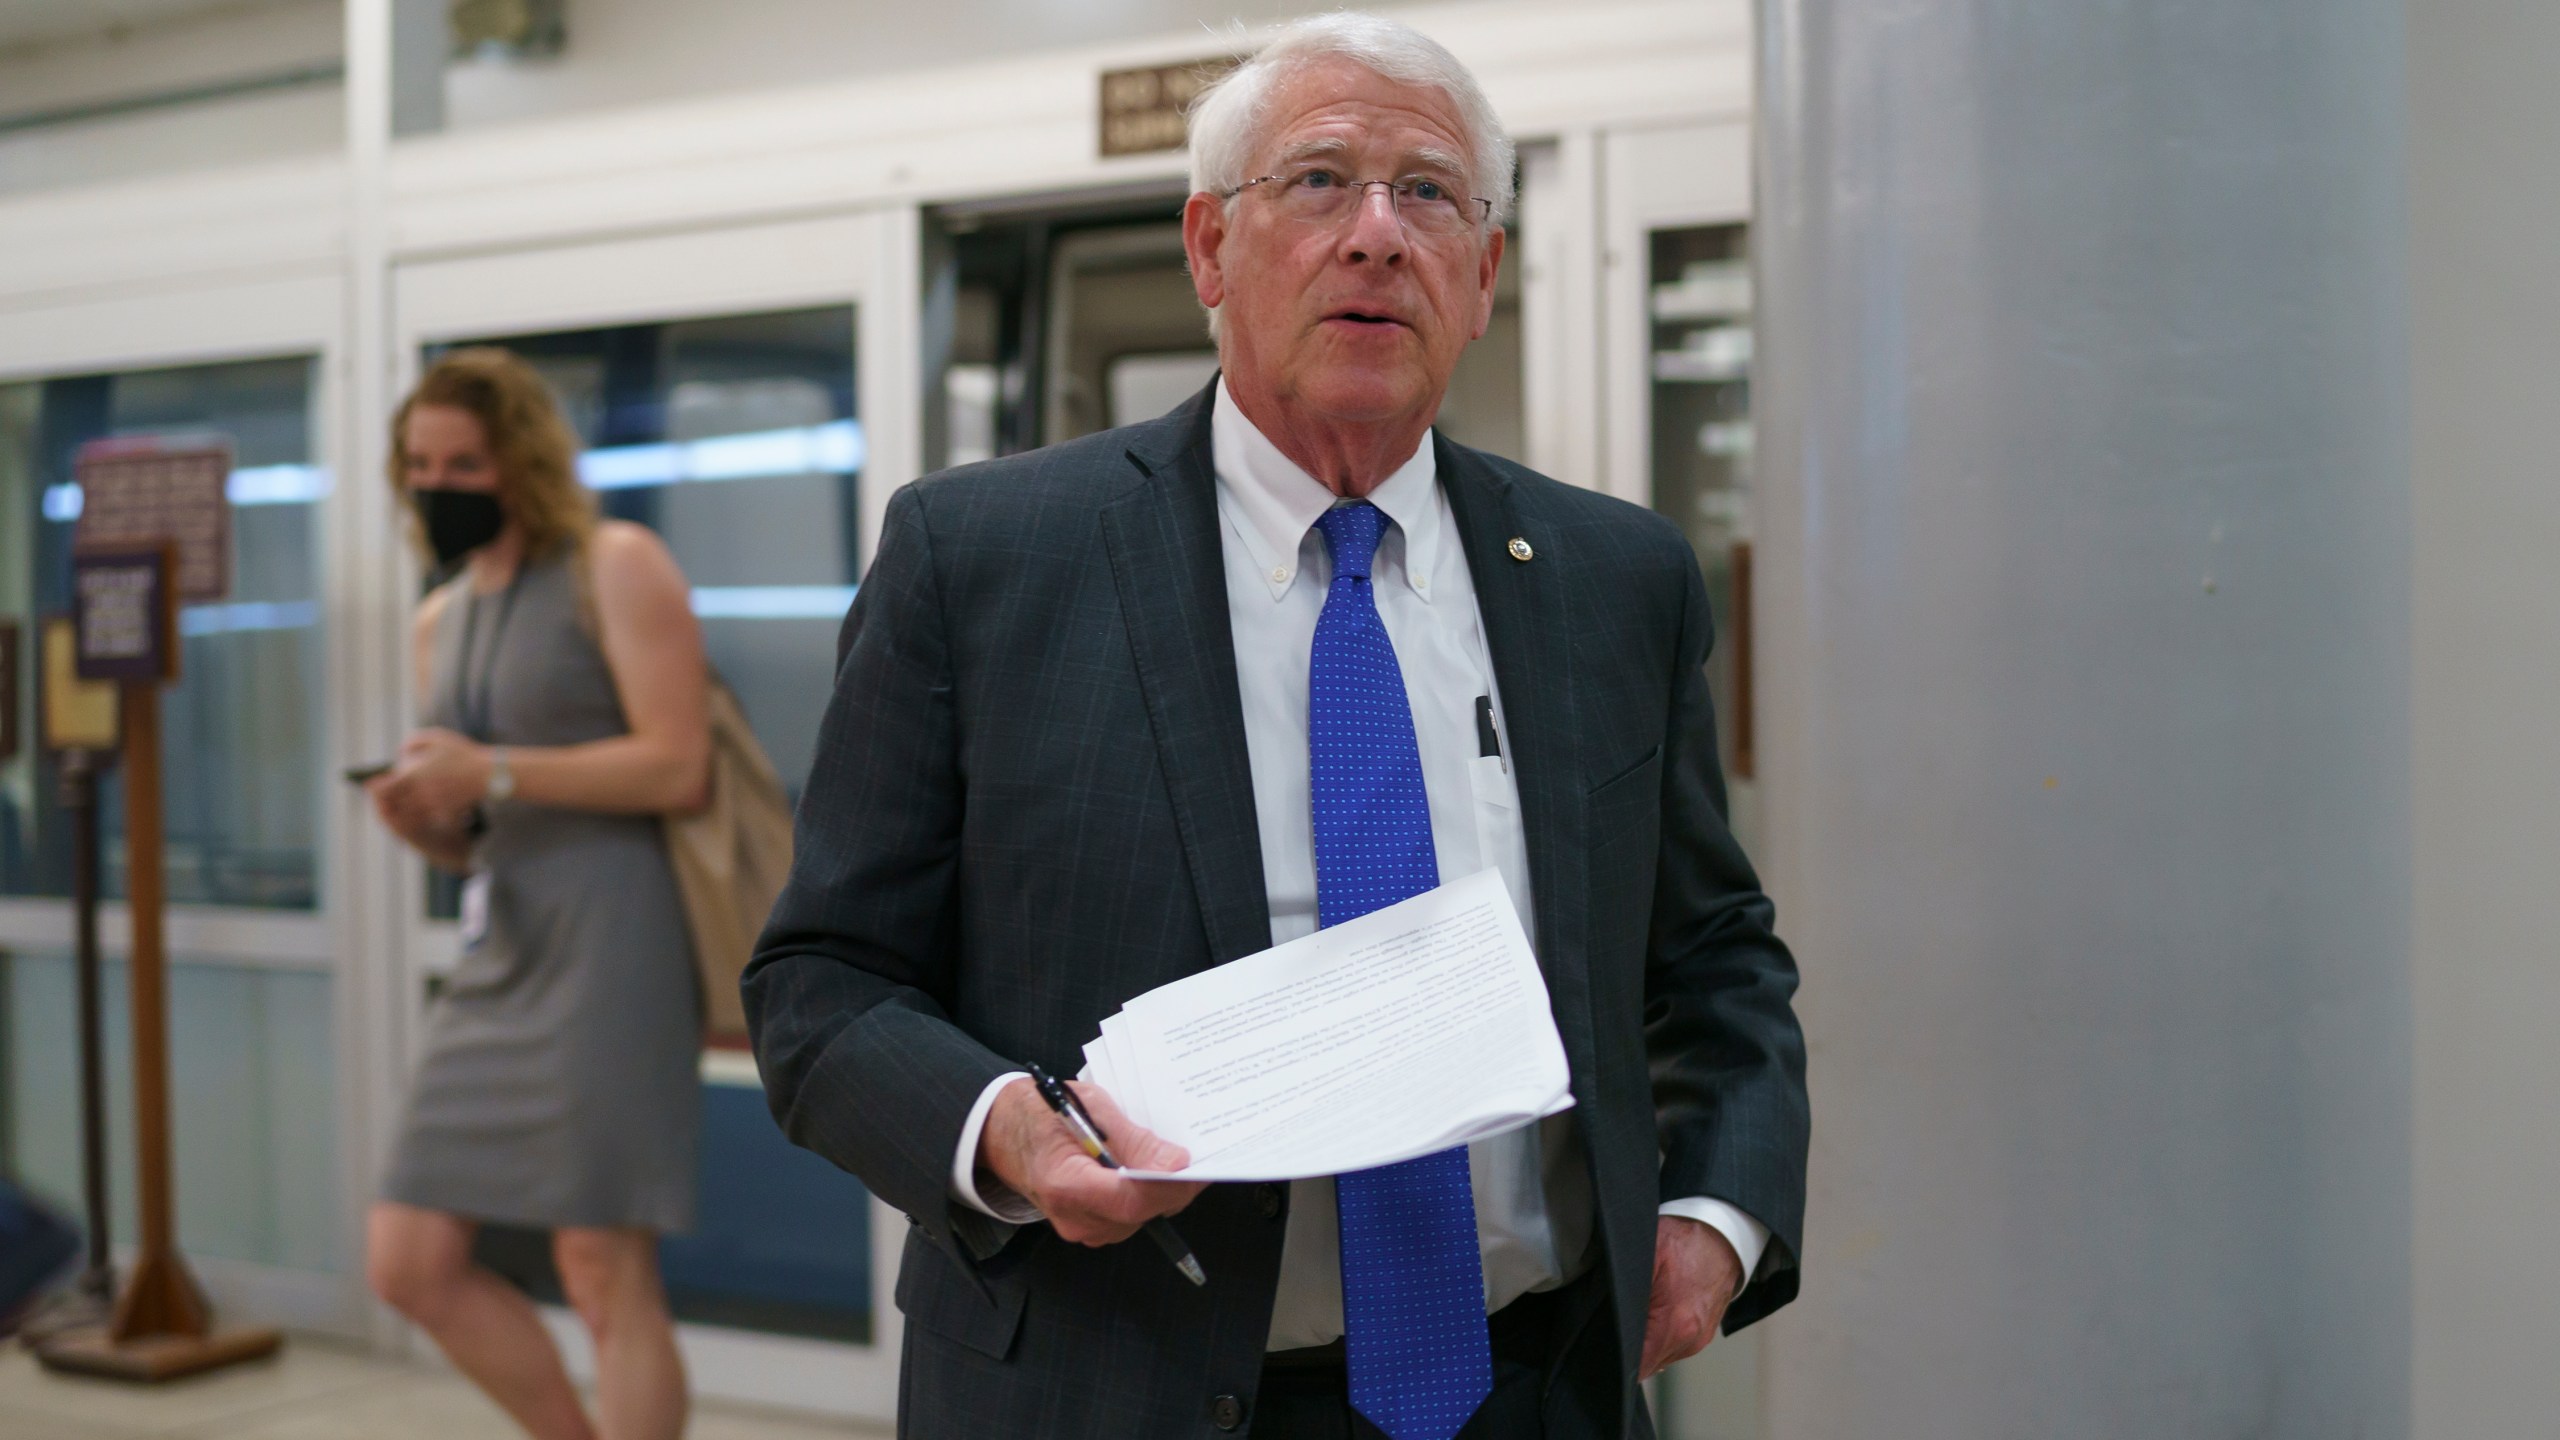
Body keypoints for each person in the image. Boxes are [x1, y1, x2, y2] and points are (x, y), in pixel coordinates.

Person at [745, 14, 1809, 1438]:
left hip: (1534, 1388)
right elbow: (822, 983)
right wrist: (1003, 1128)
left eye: (1429, 192)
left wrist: (1718, 1209)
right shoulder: (986, 560)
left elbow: (1714, 957)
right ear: (1207, 250)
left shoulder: (1616, 581)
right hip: (1113, 1381)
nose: (1377, 234)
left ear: (1483, 273)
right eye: (1317, 181)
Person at [363, 348, 710, 1440]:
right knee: (407, 1260)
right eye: (419, 463)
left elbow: (677, 763)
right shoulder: (440, 616)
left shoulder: (614, 562)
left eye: (463, 460)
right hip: (503, 937)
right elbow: (480, 834)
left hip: (616, 934)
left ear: (519, 462)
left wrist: (495, 771)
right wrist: (434, 824)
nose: (438, 483)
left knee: (604, 1261)